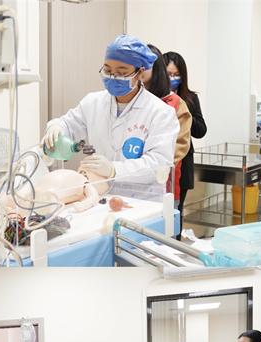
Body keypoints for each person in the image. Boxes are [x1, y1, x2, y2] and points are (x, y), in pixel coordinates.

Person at [43, 35, 178, 203]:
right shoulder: (92, 103)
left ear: (140, 73)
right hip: (101, 197)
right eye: (107, 71)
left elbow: (158, 164)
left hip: (142, 202)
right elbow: (68, 125)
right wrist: (56, 127)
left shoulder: (160, 113)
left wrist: (114, 169)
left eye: (121, 72)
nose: (113, 77)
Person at [140, 44, 192, 206]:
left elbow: (180, 146)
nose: (139, 70)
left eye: (144, 65)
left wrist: (151, 165)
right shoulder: (133, 100)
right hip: (130, 181)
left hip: (163, 183)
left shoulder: (175, 103)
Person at [163, 51, 207, 218]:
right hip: (161, 159)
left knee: (177, 212)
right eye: (169, 74)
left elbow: (201, 131)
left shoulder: (190, 98)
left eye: (177, 75)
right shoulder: (155, 97)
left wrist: (183, 111)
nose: (173, 78)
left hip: (183, 161)